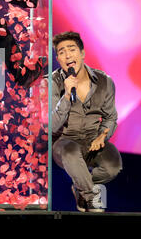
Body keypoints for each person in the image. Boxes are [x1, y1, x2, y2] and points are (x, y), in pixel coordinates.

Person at [51, 31, 122, 212]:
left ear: (82, 53)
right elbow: (51, 126)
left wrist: (103, 135)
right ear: (58, 59)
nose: (67, 55)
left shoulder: (105, 82)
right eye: (61, 52)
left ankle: (80, 187)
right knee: (71, 152)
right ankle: (91, 198)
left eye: (72, 49)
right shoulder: (52, 83)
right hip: (64, 142)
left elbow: (110, 117)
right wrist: (66, 96)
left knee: (113, 168)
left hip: (92, 139)